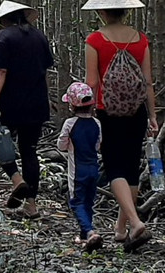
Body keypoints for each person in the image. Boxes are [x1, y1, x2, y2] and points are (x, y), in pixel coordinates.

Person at [82, 0, 157, 252]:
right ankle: (121, 227)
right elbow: (148, 81)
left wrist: (86, 114)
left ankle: (135, 223)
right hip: (137, 111)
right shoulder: (141, 39)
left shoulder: (95, 40)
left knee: (115, 168)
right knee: (131, 168)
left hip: (106, 111)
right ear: (126, 11)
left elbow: (92, 83)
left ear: (101, 11)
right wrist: (153, 115)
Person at [0, 0, 55, 218]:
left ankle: (17, 179)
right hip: (36, 101)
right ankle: (31, 205)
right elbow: (45, 68)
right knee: (29, 150)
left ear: (4, 20)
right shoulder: (39, 36)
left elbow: (1, 71)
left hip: (10, 101)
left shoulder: (3, 37)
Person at [57, 81, 104, 251]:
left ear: (71, 105)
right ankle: (85, 236)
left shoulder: (70, 123)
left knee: (76, 202)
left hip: (77, 171)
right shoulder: (97, 123)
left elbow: (61, 145)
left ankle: (90, 232)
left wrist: (70, 142)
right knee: (89, 202)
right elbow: (98, 145)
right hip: (94, 169)